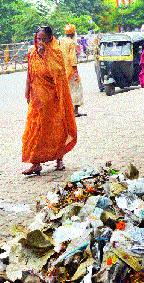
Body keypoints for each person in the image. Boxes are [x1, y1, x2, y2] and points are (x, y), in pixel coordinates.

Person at [22, 26, 77, 175]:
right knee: (35, 130)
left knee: (56, 130)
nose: (40, 42)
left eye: (43, 39)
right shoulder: (32, 53)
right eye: (38, 39)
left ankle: (59, 159)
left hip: (53, 100)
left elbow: (59, 76)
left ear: (50, 39)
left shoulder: (56, 53)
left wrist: (46, 55)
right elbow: (29, 73)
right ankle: (35, 163)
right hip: (37, 100)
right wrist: (27, 90)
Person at [60, 24, 85, 117]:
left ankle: (67, 111)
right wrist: (75, 72)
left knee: (67, 90)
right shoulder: (71, 42)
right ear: (73, 33)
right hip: (70, 70)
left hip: (63, 70)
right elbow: (72, 58)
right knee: (76, 89)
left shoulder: (61, 41)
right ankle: (75, 111)